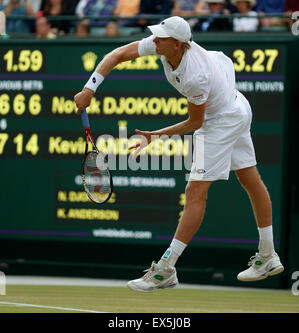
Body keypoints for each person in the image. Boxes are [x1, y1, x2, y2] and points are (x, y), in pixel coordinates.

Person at [74, 16, 284, 292]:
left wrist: (153, 136)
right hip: (236, 104)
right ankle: (268, 256)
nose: (154, 39)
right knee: (250, 179)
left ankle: (165, 269)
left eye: (161, 37)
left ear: (177, 44)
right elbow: (117, 54)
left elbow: (195, 123)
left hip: (221, 119)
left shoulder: (194, 76)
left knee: (195, 191)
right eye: (156, 36)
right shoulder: (166, 45)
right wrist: (90, 88)